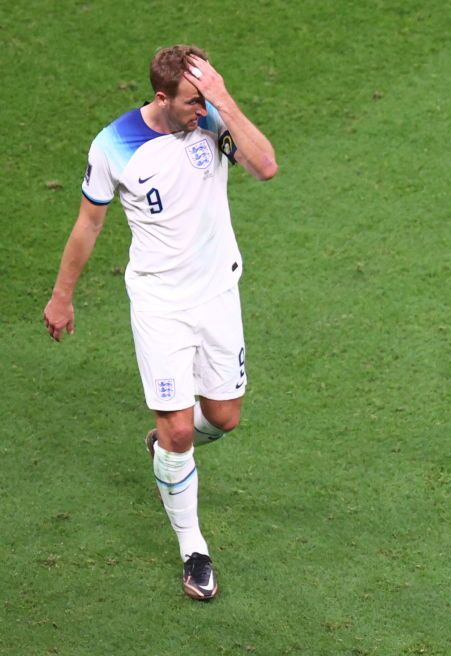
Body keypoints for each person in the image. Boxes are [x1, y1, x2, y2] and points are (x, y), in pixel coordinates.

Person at [43, 44, 277, 600]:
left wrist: (222, 99)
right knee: (178, 432)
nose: (202, 110)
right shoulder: (115, 146)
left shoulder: (214, 118)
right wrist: (62, 297)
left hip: (218, 293)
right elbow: (88, 227)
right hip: (160, 304)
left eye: (207, 99)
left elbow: (265, 166)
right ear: (161, 97)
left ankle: (165, 450)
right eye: (194, 101)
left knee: (222, 418)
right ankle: (193, 548)